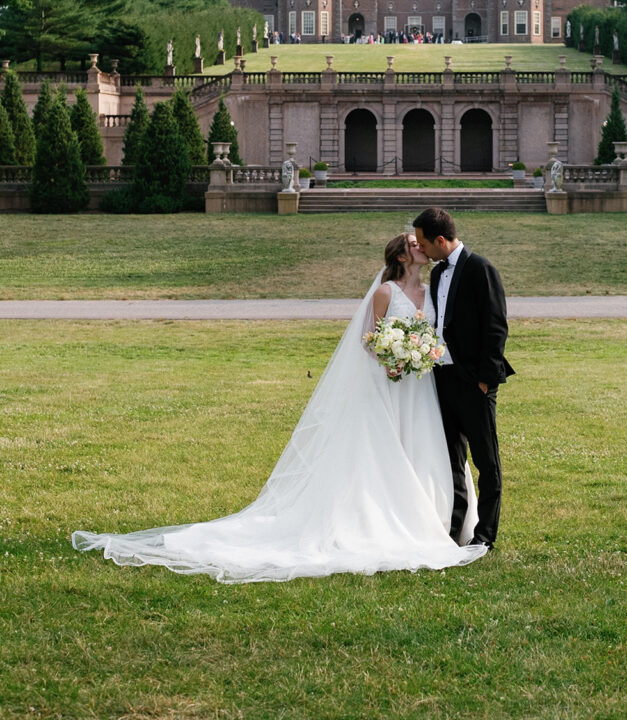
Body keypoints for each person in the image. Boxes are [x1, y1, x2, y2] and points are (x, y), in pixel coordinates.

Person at [71, 234, 487, 583]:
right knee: (384, 450)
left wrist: (419, 353)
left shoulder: (430, 288)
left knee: (424, 448)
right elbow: (368, 338)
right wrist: (394, 356)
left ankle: (439, 521)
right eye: (414, 245)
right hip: (390, 381)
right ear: (401, 255)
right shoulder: (384, 291)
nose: (421, 249)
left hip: (420, 387)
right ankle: (384, 519)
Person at [413, 208, 513, 550]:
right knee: (452, 459)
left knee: (486, 461)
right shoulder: (439, 273)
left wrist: (486, 380)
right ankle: (456, 531)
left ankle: (485, 535)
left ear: (441, 240)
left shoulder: (480, 268)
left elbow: (496, 326)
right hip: (443, 379)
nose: (421, 250)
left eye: (425, 244)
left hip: (475, 382)